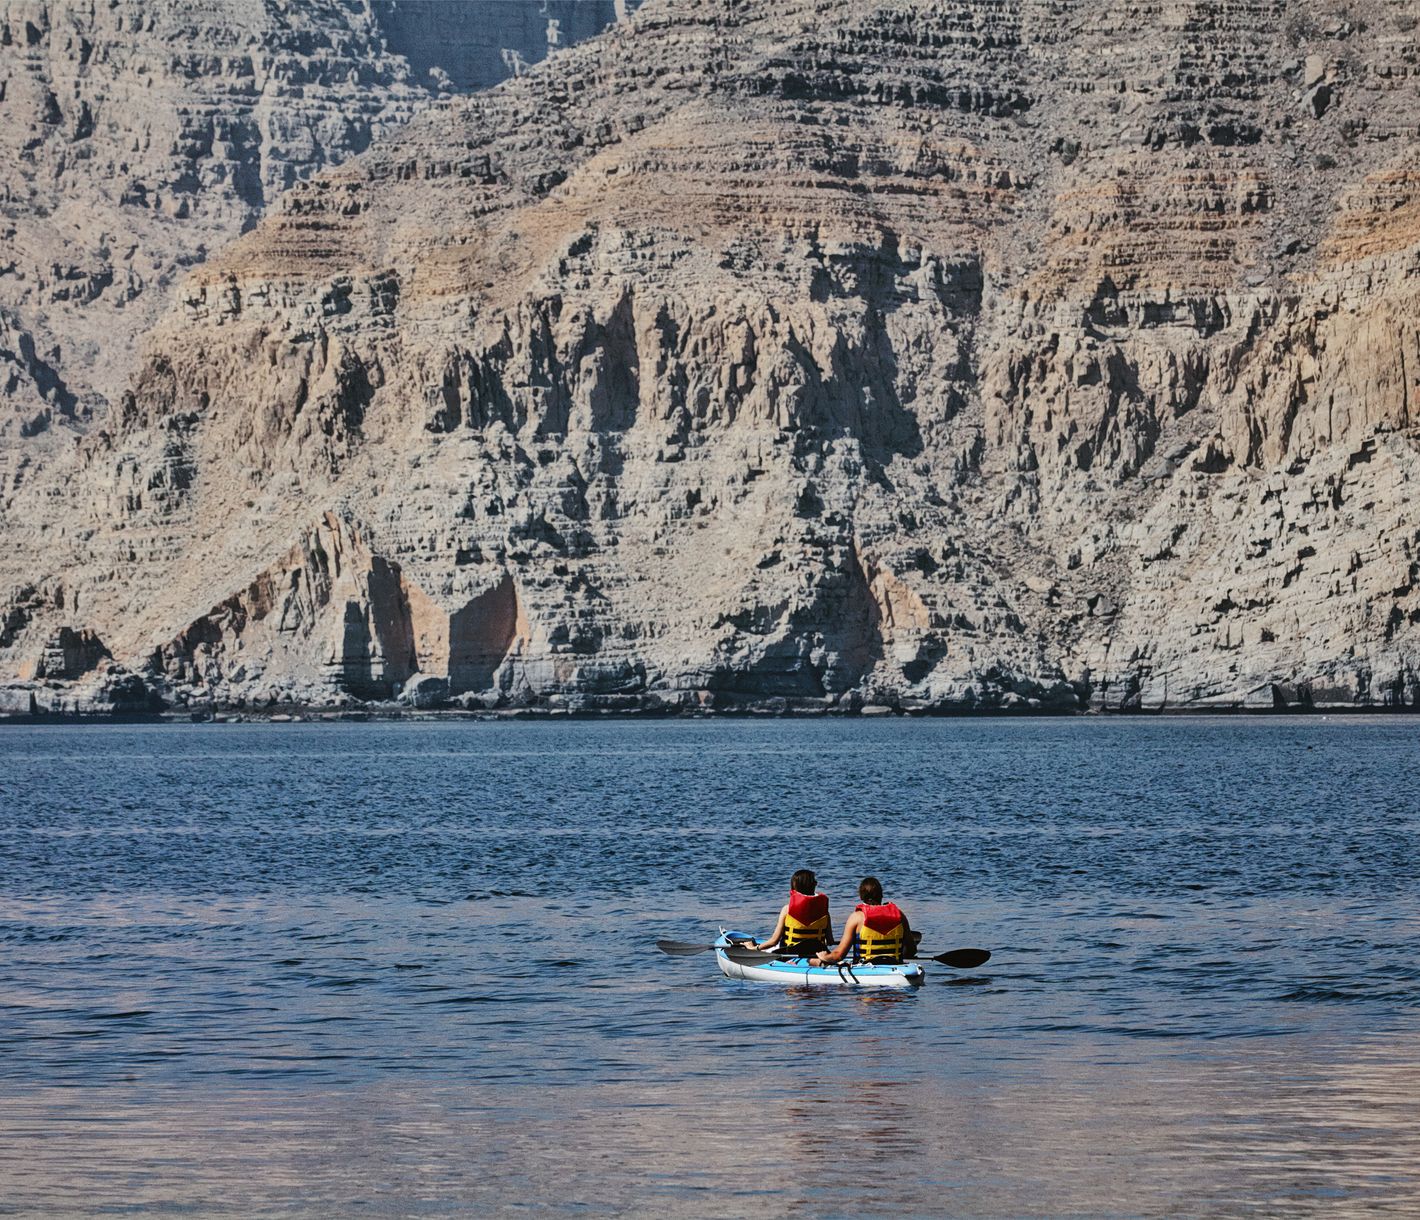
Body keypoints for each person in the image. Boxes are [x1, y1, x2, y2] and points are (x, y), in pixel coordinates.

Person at [811, 876, 913, 967]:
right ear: (881, 895)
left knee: (812, 962)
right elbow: (911, 950)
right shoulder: (899, 915)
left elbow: (839, 955)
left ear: (861, 896)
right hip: (895, 966)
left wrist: (825, 957)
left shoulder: (857, 917)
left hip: (865, 967)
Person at [755, 869, 833, 956]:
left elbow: (774, 941)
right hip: (817, 953)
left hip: (791, 954)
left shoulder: (787, 910)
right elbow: (830, 941)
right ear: (813, 886)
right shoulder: (824, 911)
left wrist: (755, 948)